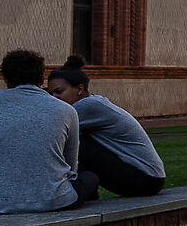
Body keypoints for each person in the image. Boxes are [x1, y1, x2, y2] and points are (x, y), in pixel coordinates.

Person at [0, 49, 97, 213]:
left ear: (6, 79)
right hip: (55, 201)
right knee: (91, 178)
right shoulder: (66, 109)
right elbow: (71, 163)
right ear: (42, 78)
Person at [46, 58, 165, 198]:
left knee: (77, 144)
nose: (54, 98)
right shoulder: (94, 102)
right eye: (50, 94)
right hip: (149, 178)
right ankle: (86, 194)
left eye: (59, 91)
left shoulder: (88, 106)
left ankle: (76, 193)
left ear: (80, 89)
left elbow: (49, 128)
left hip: (145, 178)